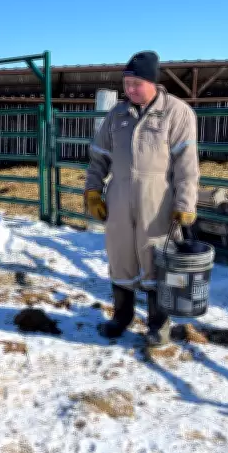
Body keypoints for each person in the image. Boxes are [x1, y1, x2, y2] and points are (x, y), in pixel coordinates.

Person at [84, 51, 200, 346]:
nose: (130, 90)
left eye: (136, 84)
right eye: (126, 84)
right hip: (119, 197)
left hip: (157, 199)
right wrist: (93, 191)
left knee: (155, 259)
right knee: (120, 256)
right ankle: (121, 317)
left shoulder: (176, 112)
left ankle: (158, 325)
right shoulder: (117, 115)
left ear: (152, 82)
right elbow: (98, 158)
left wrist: (185, 204)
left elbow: (187, 165)